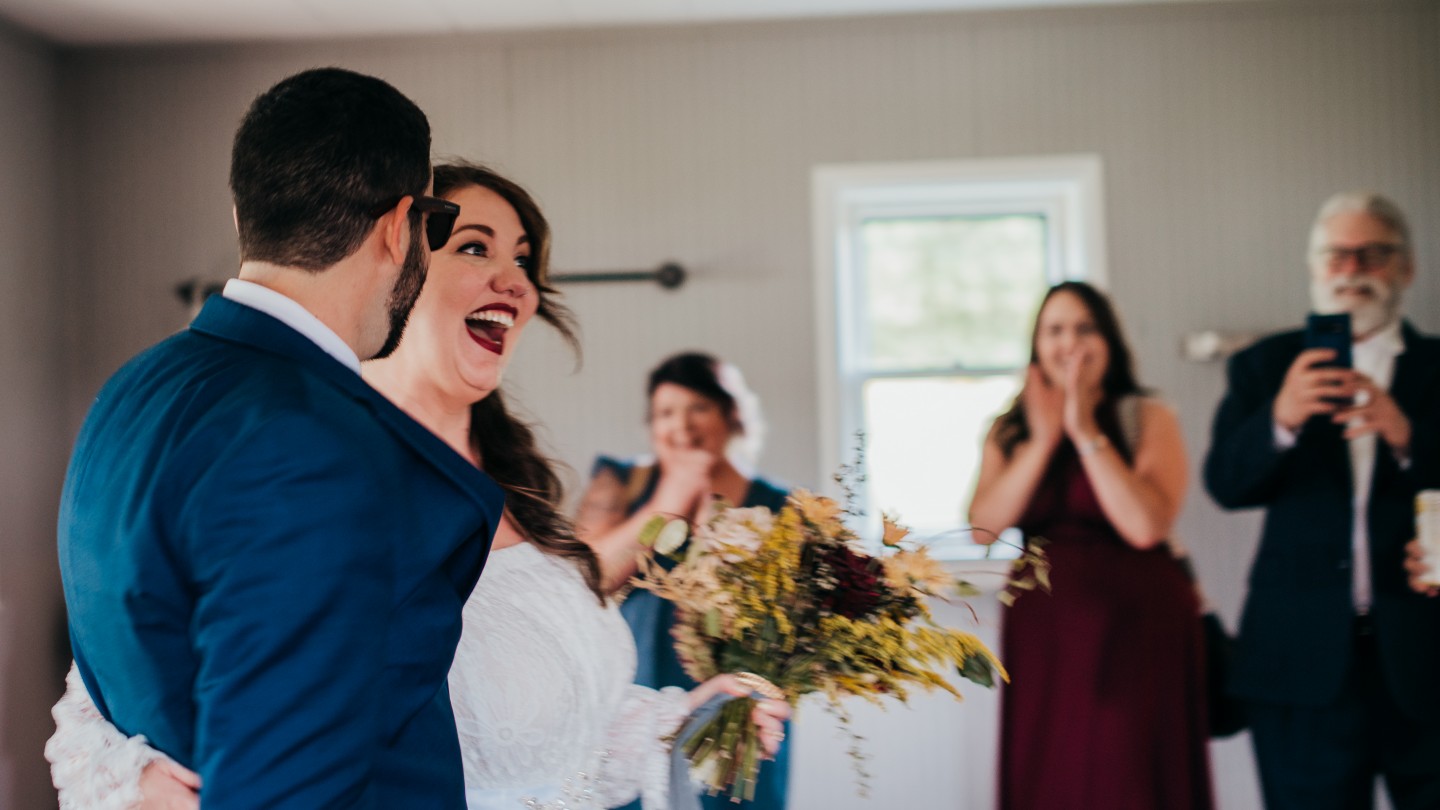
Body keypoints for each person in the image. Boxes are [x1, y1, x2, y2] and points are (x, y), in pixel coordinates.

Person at [48, 162, 790, 810]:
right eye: (474, 247)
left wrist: (685, 720)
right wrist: (128, 776)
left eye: (525, 261)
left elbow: (562, 739)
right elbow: (114, 676)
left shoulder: (515, 488)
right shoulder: (317, 465)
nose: (517, 284)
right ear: (398, 257)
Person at [50, 67, 503, 809]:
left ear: (242, 216)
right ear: (400, 227)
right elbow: (289, 785)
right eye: (438, 224)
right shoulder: (312, 444)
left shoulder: (132, 389)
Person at [1204, 191, 1440, 809]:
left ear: (1407, 268)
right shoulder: (1264, 367)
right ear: (1314, 267)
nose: (1352, 269)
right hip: (1297, 665)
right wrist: (1279, 419)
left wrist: (1408, 435)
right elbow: (1225, 486)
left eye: (1373, 254)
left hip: (1427, 659)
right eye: (1336, 255)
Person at [968, 281, 1212, 810]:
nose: (1070, 342)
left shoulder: (1146, 417)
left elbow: (1145, 527)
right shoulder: (1008, 430)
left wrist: (1083, 432)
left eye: (1085, 327)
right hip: (1044, 641)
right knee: (1049, 777)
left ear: (1110, 341)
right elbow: (983, 530)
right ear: (1037, 345)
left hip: (1139, 631)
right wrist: (1044, 439)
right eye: (1055, 330)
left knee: (1127, 780)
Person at [575, 352, 792, 810]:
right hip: (641, 682)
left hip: (738, 694)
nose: (682, 426)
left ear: (731, 415)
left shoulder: (781, 506)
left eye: (699, 408)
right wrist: (672, 495)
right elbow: (585, 580)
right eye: (665, 413)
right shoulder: (621, 481)